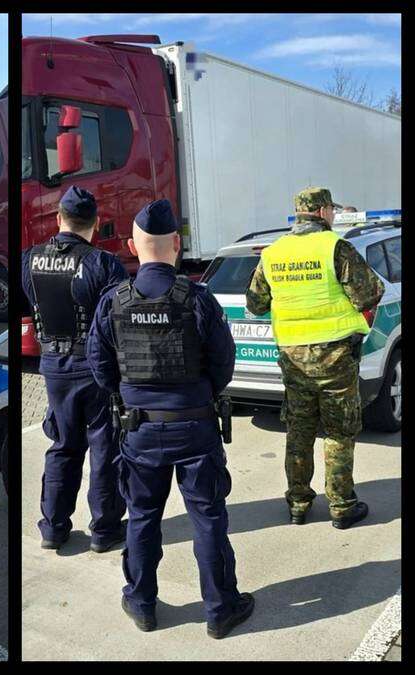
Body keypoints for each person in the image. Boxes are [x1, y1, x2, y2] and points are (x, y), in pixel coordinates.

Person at [88, 199, 253, 639]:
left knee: (142, 517)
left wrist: (130, 395)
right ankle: (220, 609)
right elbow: (223, 364)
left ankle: (142, 603)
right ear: (177, 245)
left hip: (139, 431)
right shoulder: (198, 299)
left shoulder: (113, 302)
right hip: (196, 427)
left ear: (131, 246)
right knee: (208, 518)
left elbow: (101, 369)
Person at [245, 187, 383, 529]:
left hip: (293, 360)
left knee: (299, 431)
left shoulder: (274, 254)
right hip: (335, 356)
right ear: (323, 212)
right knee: (338, 431)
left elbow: (255, 303)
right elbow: (369, 293)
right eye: (331, 210)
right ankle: (341, 506)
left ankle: (298, 504)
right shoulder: (335, 247)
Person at [20, 185, 129, 552]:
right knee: (104, 446)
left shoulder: (30, 258)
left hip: (52, 365)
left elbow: (31, 301)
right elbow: (118, 319)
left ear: (58, 219)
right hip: (95, 366)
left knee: (63, 444)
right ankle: (105, 529)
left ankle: (53, 527)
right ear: (95, 223)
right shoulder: (103, 263)